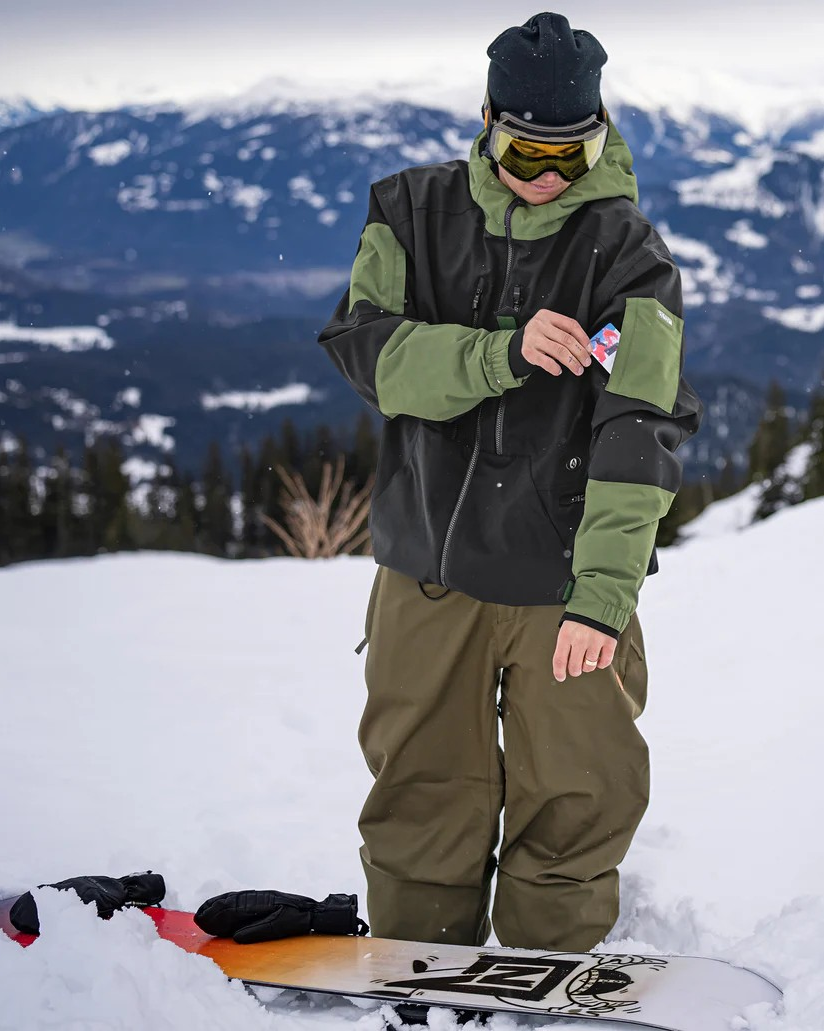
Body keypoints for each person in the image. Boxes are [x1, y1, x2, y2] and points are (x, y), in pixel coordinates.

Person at [318, 12, 702, 952]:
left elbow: (639, 431)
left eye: (572, 156)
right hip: (428, 571)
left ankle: (546, 970)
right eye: (528, 150)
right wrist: (498, 356)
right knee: (422, 791)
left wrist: (601, 600)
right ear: (486, 121)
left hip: (561, 587)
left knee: (577, 791)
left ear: (600, 137)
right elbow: (367, 352)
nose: (547, 176)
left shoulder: (627, 254)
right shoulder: (409, 211)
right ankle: (417, 961)